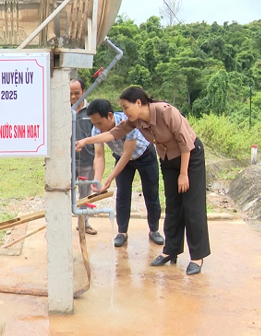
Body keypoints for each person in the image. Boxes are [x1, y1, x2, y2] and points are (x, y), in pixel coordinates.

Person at [75, 87, 210, 275]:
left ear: (139, 103)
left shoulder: (166, 111)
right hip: (168, 158)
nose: (125, 112)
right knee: (173, 205)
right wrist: (85, 142)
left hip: (190, 156)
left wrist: (184, 174)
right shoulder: (135, 121)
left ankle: (197, 256)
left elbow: (185, 142)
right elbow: (113, 134)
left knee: (192, 205)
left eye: (126, 107)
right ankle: (170, 250)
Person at [86, 99, 164, 247]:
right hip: (121, 158)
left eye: (100, 123)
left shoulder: (128, 122)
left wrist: (110, 178)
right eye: (94, 124)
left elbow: (128, 154)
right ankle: (122, 232)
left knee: (151, 193)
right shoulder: (96, 129)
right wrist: (97, 181)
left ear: (110, 115)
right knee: (122, 194)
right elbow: (99, 156)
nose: (98, 128)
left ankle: (154, 230)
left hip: (144, 155)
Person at [70, 78, 97, 235]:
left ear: (84, 91)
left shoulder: (91, 111)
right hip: (68, 161)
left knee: (85, 193)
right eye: (70, 94)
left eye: (77, 93)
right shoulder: (64, 111)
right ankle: (63, 223)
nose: (73, 97)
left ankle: (84, 223)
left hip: (87, 160)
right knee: (65, 191)